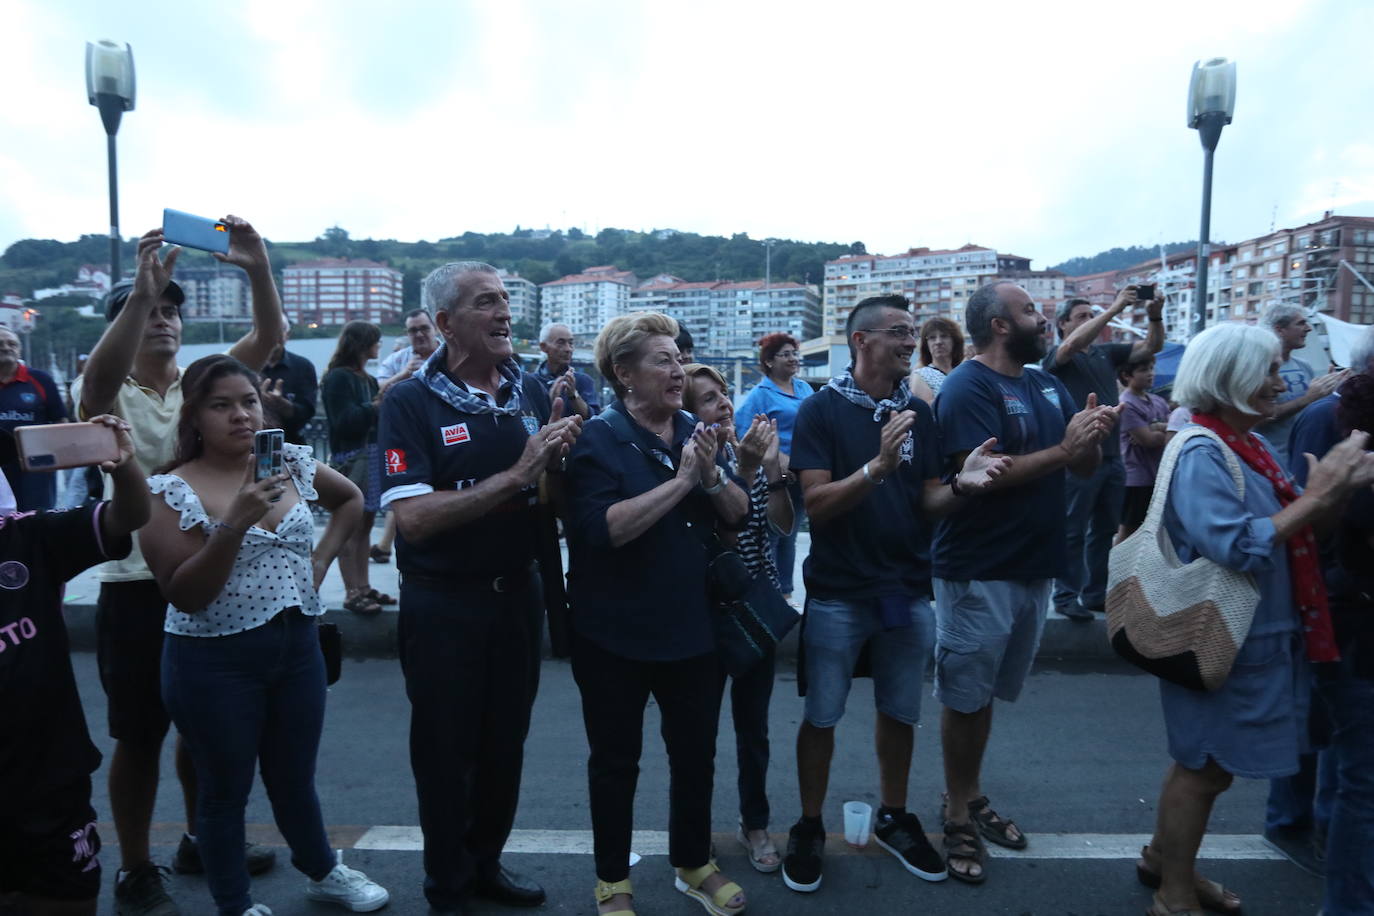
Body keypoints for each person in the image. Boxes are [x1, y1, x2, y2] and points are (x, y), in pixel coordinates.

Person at [72, 219, 285, 915]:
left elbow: (265, 345)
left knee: (205, 727)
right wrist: (139, 293)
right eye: (150, 312)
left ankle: (199, 836)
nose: (162, 319)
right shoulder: (109, 389)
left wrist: (256, 268)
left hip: (209, 577)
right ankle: (135, 866)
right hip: (136, 583)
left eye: (171, 310)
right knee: (139, 733)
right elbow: (95, 390)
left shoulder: (200, 388)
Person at [1138, 322, 1374, 916]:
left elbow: (1304, 528)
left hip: (1250, 635)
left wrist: (1333, 492)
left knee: (1200, 762)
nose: (1281, 380)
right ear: (1231, 378)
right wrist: (1320, 497)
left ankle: (1166, 863)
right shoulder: (1202, 450)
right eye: (1268, 370)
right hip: (1224, 637)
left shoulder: (1249, 443)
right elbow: (1237, 546)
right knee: (1206, 770)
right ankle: (1173, 894)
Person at [139, 355, 387, 916]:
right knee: (223, 789)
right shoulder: (169, 489)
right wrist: (235, 522)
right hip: (212, 658)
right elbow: (185, 593)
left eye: (248, 402)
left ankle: (323, 871)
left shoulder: (290, 463)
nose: (240, 416)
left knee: (295, 777)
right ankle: (235, 902)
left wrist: (322, 563)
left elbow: (349, 499)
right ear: (194, 416)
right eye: (220, 405)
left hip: (296, 645)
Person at [781, 295, 1010, 895]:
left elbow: (928, 500)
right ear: (860, 341)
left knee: (901, 711)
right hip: (837, 591)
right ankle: (808, 824)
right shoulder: (821, 411)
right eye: (900, 333)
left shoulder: (920, 412)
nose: (913, 342)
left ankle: (894, 814)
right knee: (822, 714)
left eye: (914, 333)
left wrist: (963, 485)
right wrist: (878, 467)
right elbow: (817, 507)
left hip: (906, 588)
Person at [378, 262, 580, 914]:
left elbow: (544, 490)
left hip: (517, 595)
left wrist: (561, 455)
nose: (504, 313)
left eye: (505, 301)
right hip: (445, 602)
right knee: (445, 754)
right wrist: (521, 471)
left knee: (504, 746)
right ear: (444, 323)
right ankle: (449, 887)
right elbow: (411, 517)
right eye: (486, 302)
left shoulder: (524, 388)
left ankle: (486, 863)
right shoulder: (409, 400)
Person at [564, 312, 749, 916]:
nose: (678, 370)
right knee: (615, 763)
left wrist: (714, 473)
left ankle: (694, 863)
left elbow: (737, 514)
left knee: (695, 754)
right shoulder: (598, 438)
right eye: (662, 361)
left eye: (678, 357)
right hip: (612, 633)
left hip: (694, 628)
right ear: (623, 374)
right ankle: (612, 881)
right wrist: (682, 481)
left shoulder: (696, 427)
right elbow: (601, 530)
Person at [932, 281, 1118, 883]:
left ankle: (972, 793)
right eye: (1031, 310)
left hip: (1033, 565)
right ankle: (957, 810)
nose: (1044, 319)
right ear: (1002, 325)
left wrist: (1089, 439)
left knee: (985, 695)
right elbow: (986, 474)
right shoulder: (969, 385)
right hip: (980, 568)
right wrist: (1066, 448)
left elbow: (1079, 463)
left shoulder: (1044, 382)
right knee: (965, 697)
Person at [0, 414, 147, 916]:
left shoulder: (27, 538)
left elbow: (126, 517)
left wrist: (125, 469)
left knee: (66, 900)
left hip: (48, 784)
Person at [1261, 328, 1374, 884]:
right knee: (1325, 727)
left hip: (1335, 592)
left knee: (1329, 725)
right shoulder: (1324, 417)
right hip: (1332, 591)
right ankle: (1293, 823)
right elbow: (1305, 506)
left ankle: (1309, 823)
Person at [682, 362, 794, 875]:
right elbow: (719, 527)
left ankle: (755, 823)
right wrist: (745, 469)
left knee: (755, 729)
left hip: (756, 607)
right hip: (704, 614)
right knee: (696, 736)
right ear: (687, 413)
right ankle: (694, 832)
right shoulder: (688, 462)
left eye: (724, 394)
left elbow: (782, 526)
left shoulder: (743, 451)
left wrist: (773, 471)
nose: (724, 404)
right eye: (708, 399)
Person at [1043, 288, 1164, 621]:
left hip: (1113, 457)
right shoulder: (1058, 355)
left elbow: (1150, 347)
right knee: (1073, 528)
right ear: (1062, 324)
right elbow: (1070, 346)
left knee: (1105, 528)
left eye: (1090, 314)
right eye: (1081, 316)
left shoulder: (1106, 353)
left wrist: (1155, 315)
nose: (1090, 320)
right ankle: (1066, 595)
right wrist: (1115, 308)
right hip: (1080, 456)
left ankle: (1095, 593)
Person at [1314, 364, 1374, 915]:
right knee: (1364, 783)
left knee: (1350, 767)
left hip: (1346, 625)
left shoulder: (1349, 452)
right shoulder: (1356, 467)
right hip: (1357, 632)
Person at [736, 332, 814, 603]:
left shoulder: (804, 389)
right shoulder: (760, 395)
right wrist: (778, 459)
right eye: (786, 354)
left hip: (804, 475)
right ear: (769, 362)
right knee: (772, 535)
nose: (793, 359)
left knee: (790, 535)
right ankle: (767, 593)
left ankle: (786, 593)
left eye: (795, 353)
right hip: (776, 475)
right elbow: (743, 431)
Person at [321, 321, 390, 615]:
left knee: (364, 527)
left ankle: (363, 587)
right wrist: (376, 405)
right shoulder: (338, 378)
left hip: (370, 456)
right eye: (374, 341)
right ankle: (352, 592)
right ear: (362, 344)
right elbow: (344, 422)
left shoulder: (366, 378)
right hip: (351, 458)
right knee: (350, 527)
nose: (378, 345)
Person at [371, 309, 441, 563]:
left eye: (424, 328)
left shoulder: (450, 356)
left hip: (443, 438)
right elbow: (374, 389)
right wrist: (404, 375)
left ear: (436, 328)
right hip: (406, 440)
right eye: (413, 330)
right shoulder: (397, 360)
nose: (419, 335)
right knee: (405, 494)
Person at [1258, 303, 1348, 466]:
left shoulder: (1303, 366)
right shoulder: (1260, 368)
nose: (1308, 328)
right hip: (1270, 460)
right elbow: (1260, 417)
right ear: (1279, 329)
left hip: (1301, 457)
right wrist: (1308, 398)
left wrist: (1327, 393)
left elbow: (1309, 407)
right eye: (1301, 323)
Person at [0, 324, 68, 510]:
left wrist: (58, 457)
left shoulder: (41, 380)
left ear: (19, 348)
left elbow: (61, 421)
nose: (6, 347)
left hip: (35, 468)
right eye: (0, 344)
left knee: (36, 520)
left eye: (11, 343)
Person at [1116, 353, 1170, 541]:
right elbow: (1149, 440)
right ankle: (1116, 569)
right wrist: (1160, 432)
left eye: (1151, 369)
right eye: (1143, 370)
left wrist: (1157, 428)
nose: (1150, 374)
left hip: (1158, 476)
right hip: (1136, 478)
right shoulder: (1126, 404)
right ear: (1126, 376)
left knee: (1154, 530)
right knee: (1129, 530)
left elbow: (1174, 432)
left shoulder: (1158, 401)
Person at [258, 319, 318, 446]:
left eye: (278, 332)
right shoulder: (246, 366)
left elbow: (307, 412)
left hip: (292, 445)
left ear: (287, 335)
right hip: (252, 446)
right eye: (267, 332)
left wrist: (283, 405)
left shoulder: (303, 366)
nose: (273, 337)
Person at [908, 316, 965, 405]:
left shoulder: (963, 372)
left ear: (954, 340)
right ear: (926, 344)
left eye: (944, 336)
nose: (938, 342)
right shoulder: (921, 375)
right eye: (932, 338)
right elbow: (927, 411)